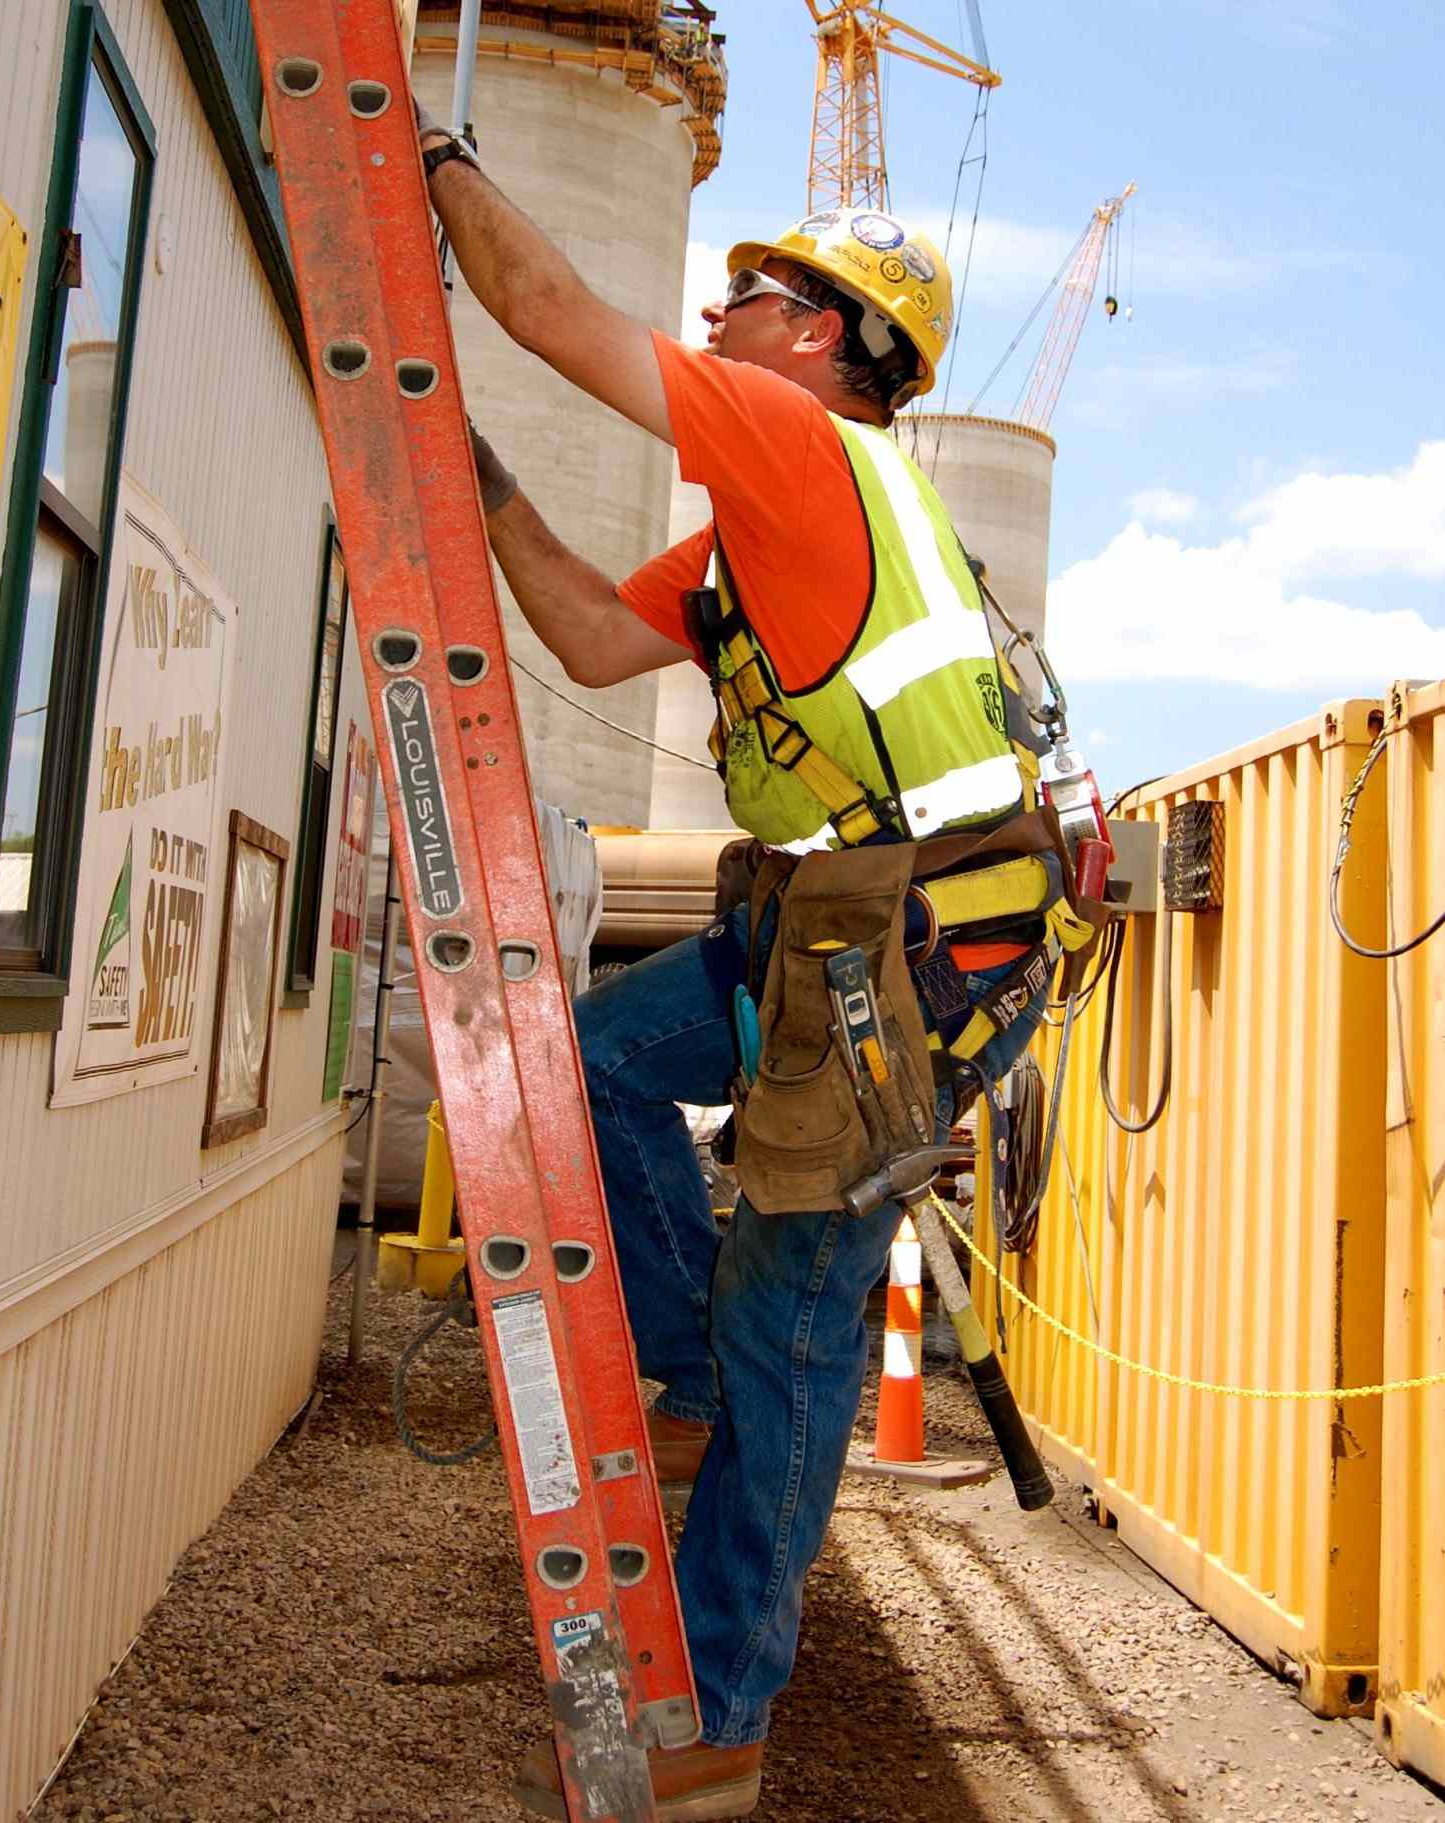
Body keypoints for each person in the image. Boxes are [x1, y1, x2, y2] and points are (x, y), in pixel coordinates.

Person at [417, 113, 1068, 1822]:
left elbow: (555, 309)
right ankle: (687, 1385)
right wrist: (470, 474)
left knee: (793, 1319)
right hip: (822, 935)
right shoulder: (747, 541)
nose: (716, 315)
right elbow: (580, 629)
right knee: (600, 1056)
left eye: (754, 292)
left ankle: (717, 1715)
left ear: (830, 345)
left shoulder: (800, 448)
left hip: (917, 963)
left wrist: (439, 161)